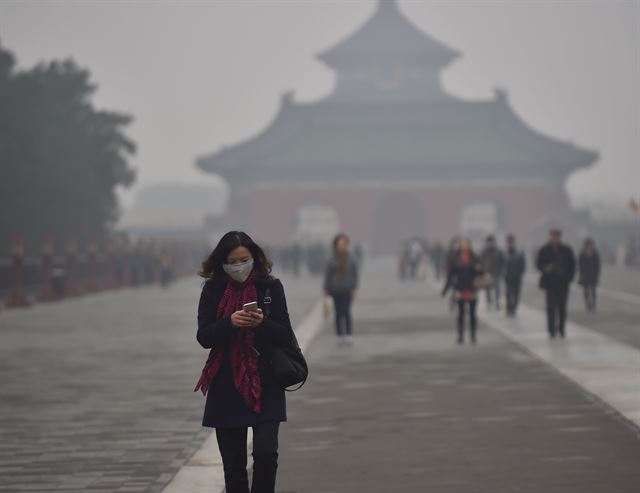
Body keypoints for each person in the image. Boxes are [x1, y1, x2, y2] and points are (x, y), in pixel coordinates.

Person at [194, 231, 294, 493]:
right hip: (226, 384)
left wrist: (260, 323)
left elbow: (285, 335)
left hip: (267, 382)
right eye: (232, 261)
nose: (239, 266)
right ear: (222, 263)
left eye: (244, 259)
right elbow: (204, 336)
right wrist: (230, 323)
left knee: (265, 454)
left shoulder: (270, 287)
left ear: (255, 258)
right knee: (234, 468)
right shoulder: (213, 290)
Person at [442, 238, 483, 344]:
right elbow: (451, 275)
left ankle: (473, 335)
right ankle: (460, 335)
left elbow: (481, 273)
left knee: (473, 314)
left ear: (470, 246)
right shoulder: (455, 258)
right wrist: (446, 289)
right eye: (462, 245)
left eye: (466, 244)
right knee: (460, 314)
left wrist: (479, 270)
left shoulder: (475, 257)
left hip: (472, 288)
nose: (464, 246)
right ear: (460, 246)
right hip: (460, 288)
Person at [536, 228, 576, 338]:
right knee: (550, 308)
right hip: (550, 284)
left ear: (559, 237)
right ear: (550, 236)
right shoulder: (544, 250)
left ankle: (562, 329)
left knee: (562, 308)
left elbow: (572, 266)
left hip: (563, 284)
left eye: (556, 236)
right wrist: (546, 268)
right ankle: (551, 330)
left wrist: (569, 278)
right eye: (553, 236)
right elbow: (538, 264)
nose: (554, 238)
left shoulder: (567, 250)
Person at [324, 233, 359, 344]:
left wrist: (354, 288)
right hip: (335, 290)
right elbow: (328, 275)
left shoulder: (352, 258)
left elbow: (355, 274)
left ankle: (348, 334)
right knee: (338, 312)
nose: (342, 246)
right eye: (340, 244)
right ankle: (339, 334)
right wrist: (326, 288)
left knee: (346, 311)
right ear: (336, 245)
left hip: (347, 289)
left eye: (344, 243)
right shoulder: (331, 259)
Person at [480, 235, 505, 310]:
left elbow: (502, 262)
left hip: (496, 272)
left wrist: (501, 271)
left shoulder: (498, 251)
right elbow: (481, 262)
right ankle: (489, 302)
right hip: (487, 273)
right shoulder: (484, 252)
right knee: (488, 289)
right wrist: (483, 272)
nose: (490, 243)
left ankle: (497, 302)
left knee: (497, 288)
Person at [504, 234, 526, 316]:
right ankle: (509, 308)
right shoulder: (504, 253)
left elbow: (523, 265)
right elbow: (502, 264)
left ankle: (514, 308)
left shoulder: (519, 253)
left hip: (517, 276)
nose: (510, 243)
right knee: (509, 293)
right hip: (508, 277)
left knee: (516, 293)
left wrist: (521, 273)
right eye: (509, 242)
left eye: (511, 242)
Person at [578, 238, 601, 312]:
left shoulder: (595, 254)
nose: (589, 246)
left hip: (593, 275)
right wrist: (581, 274)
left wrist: (597, 274)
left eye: (590, 244)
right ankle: (588, 304)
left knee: (593, 290)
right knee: (586, 291)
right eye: (588, 244)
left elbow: (598, 265)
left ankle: (593, 304)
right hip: (585, 275)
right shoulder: (582, 254)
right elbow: (580, 265)